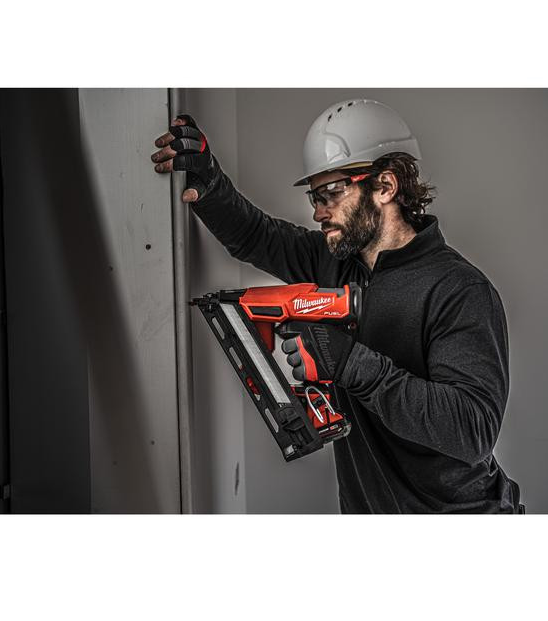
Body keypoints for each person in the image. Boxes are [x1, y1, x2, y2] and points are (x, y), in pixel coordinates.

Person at [151, 98, 523, 514]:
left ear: (385, 186)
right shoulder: (335, 262)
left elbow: (472, 431)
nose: (317, 212)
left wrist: (349, 362)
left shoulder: (459, 290)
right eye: (314, 196)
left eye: (331, 193)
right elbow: (257, 236)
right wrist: (209, 179)